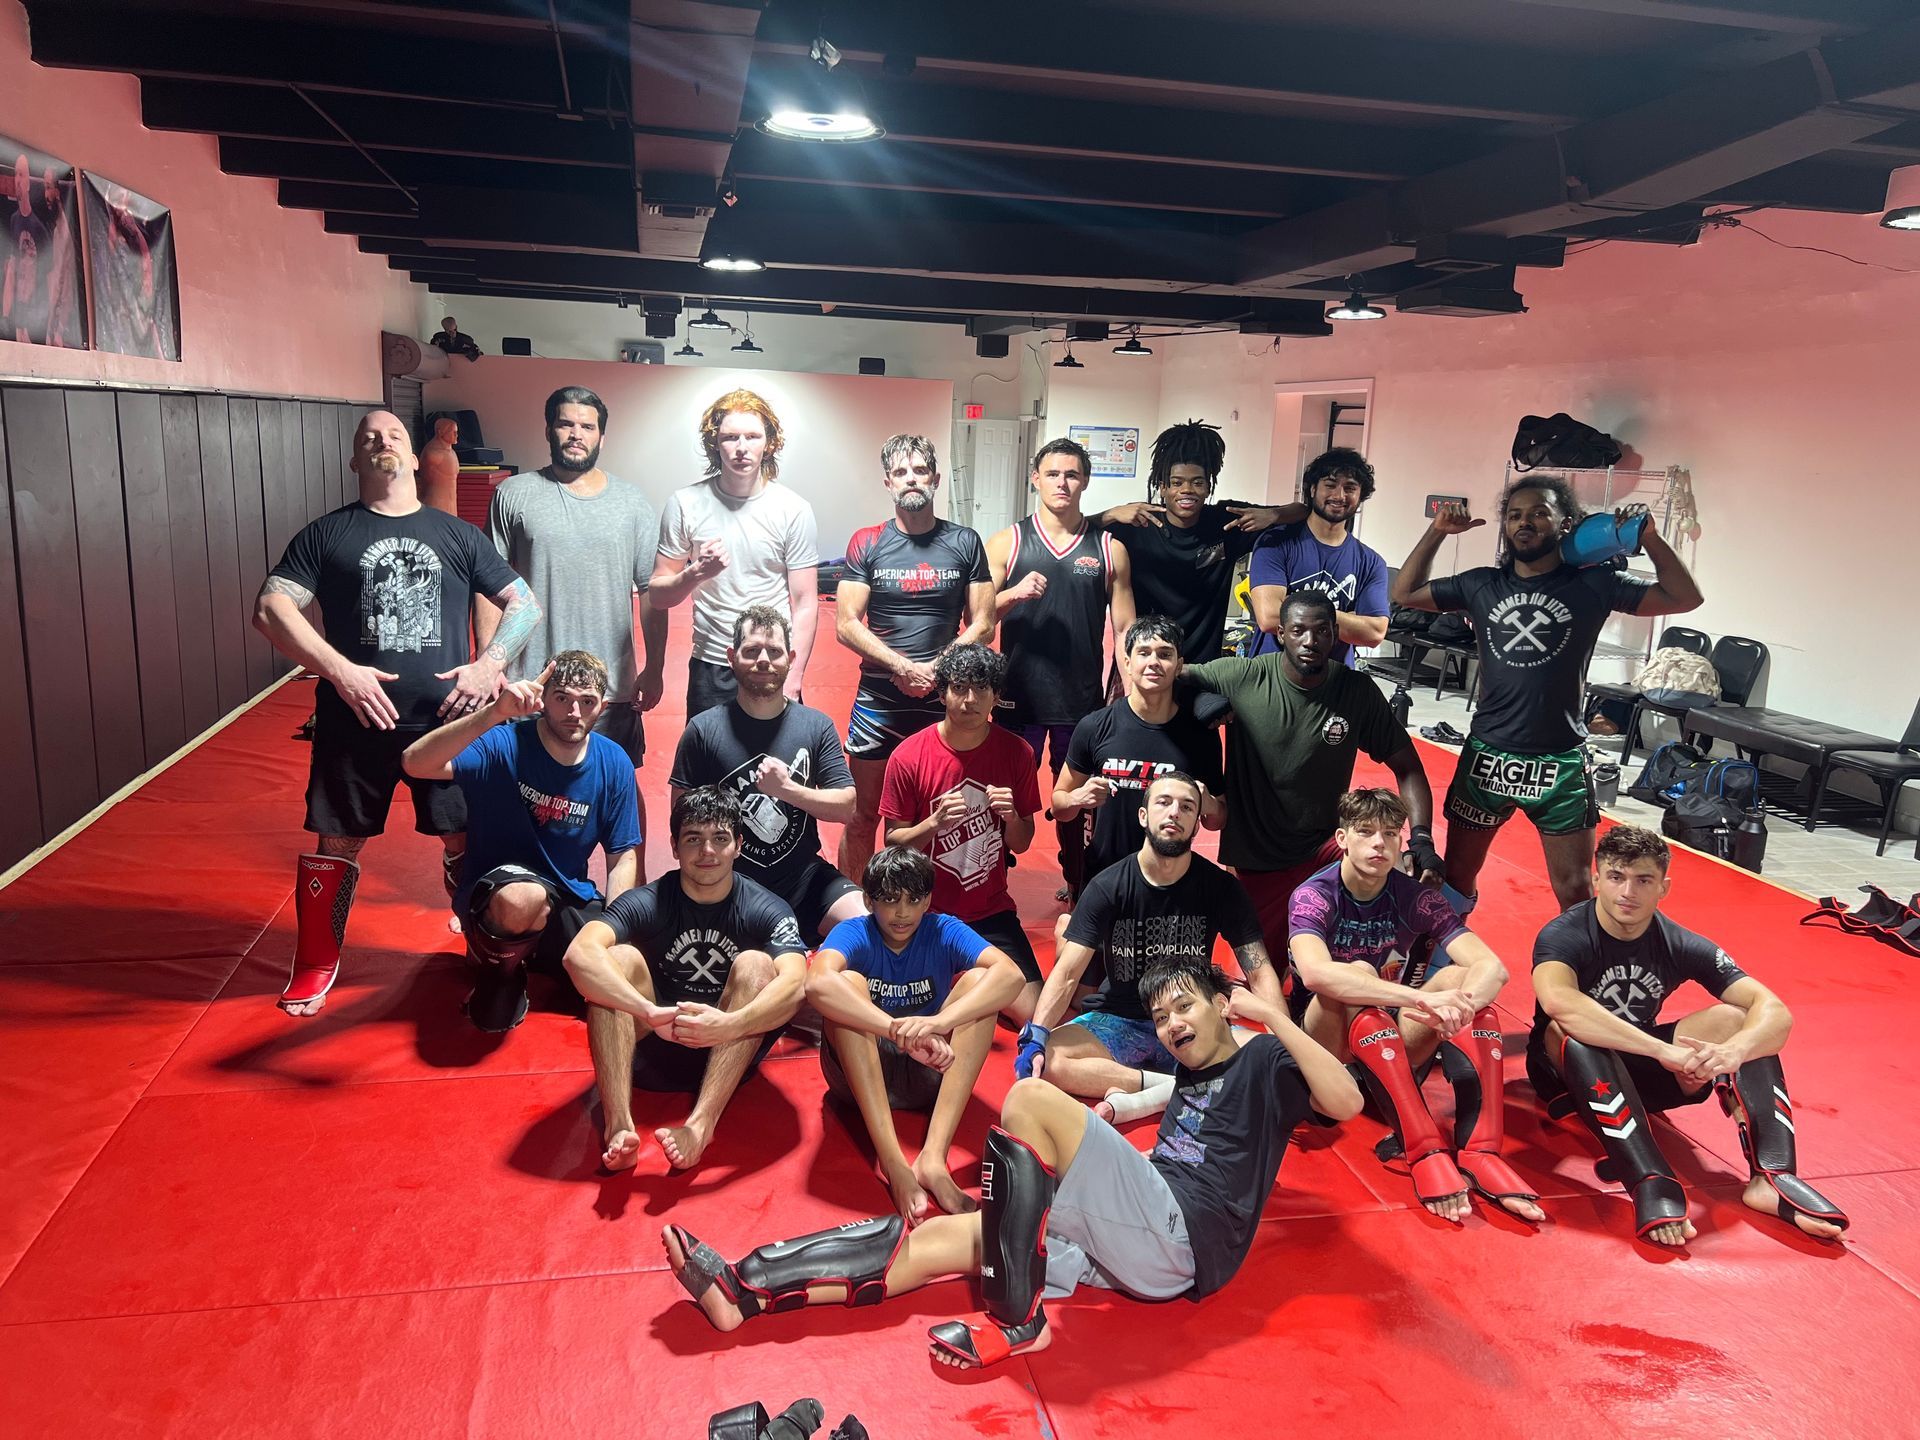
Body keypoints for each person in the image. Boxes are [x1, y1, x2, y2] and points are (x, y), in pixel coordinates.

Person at [660, 956, 1363, 1368]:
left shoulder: (1265, 1058)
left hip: (1183, 1240)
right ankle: (747, 1290)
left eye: (1185, 1007)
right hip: (1135, 1239)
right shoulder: (1188, 1075)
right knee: (950, 1237)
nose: (1172, 1024)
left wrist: (1273, 1019)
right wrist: (1115, 1116)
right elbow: (1155, 1121)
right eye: (1161, 1017)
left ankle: (1018, 1320)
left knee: (1030, 1096)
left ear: (1220, 1005)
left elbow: (1346, 1101)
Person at [253, 409, 539, 1016]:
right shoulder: (326, 535)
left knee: (464, 840)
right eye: (368, 439)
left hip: (447, 723)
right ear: (355, 461)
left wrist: (490, 664)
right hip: (355, 721)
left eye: (394, 437)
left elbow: (524, 603)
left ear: (414, 459)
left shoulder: (457, 535)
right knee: (337, 843)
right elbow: (271, 609)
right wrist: (340, 670)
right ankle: (315, 963)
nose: (382, 443)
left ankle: (484, 948)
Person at [1389, 477, 1703, 912]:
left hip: (1558, 760)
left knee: (1574, 890)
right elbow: (1403, 593)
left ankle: (1575, 971)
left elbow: (1685, 597)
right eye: (1515, 515)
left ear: (1565, 523)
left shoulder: (1594, 584)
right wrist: (1437, 531)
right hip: (1488, 754)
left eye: (1539, 513)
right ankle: (1444, 960)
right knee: (1458, 877)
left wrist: (1649, 537)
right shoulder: (1481, 584)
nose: (1525, 522)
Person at [1528, 825, 1847, 1247]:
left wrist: (1732, 1054)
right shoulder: (1564, 934)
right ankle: (1649, 1178)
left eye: (1643, 880)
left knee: (1739, 1020)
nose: (1628, 892)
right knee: (1573, 1028)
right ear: (1597, 878)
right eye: (1616, 877)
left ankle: (1772, 1176)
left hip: (1639, 1074)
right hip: (1565, 1072)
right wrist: (1664, 1051)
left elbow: (1776, 1013)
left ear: (1664, 887)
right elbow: (1560, 1004)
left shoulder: (1680, 942)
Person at [1289, 788, 1541, 1223]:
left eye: (1390, 834)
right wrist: (1423, 999)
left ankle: (1481, 1150)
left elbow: (1492, 968)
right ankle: (1422, 1147)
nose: (1379, 845)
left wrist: (1460, 1007)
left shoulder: (1414, 895)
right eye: (1366, 833)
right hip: (1326, 1053)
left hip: (1386, 1046)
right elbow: (1314, 974)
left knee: (1468, 985)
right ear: (1342, 838)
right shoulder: (1314, 895)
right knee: (1357, 978)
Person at [1184, 589, 1442, 999]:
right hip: (1257, 856)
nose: (1310, 641)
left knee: (1388, 883)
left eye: (1322, 631)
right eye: (1299, 630)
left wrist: (1423, 838)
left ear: (1336, 634)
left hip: (1325, 852)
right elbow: (1170, 674)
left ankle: (1387, 986)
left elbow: (1408, 767)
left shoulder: (1355, 691)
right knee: (1260, 983)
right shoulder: (1244, 676)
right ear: (1281, 633)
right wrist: (1200, 699)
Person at [563, 787, 808, 1172]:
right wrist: (646, 1010)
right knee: (617, 959)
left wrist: (728, 1026)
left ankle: (700, 1125)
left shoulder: (765, 907)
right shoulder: (648, 900)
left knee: (759, 967)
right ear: (675, 847)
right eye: (694, 839)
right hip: (651, 1044)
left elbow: (796, 986)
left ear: (739, 846)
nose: (707, 852)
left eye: (720, 839)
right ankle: (619, 1127)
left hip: (730, 1049)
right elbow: (579, 954)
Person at [1021, 772, 1278, 1127]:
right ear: (1144, 816)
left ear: (1196, 824)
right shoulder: (1109, 885)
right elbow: (1067, 974)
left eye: (1187, 807)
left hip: (1192, 1017)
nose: (1174, 812)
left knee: (1269, 1062)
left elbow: (1259, 969)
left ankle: (1149, 1090)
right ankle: (1173, 1088)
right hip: (1120, 1017)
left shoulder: (1221, 887)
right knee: (1048, 1060)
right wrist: (1037, 1034)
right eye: (1164, 802)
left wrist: (1284, 1038)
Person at [401, 651, 639, 1032]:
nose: (573, 711)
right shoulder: (504, 743)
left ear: (603, 707)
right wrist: (494, 713)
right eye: (562, 697)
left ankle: (536, 957)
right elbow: (415, 762)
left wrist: (615, 929)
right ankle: (500, 971)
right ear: (543, 698)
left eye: (587, 701)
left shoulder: (614, 762)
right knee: (523, 898)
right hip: (499, 892)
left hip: (566, 895)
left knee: (626, 974)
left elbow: (623, 855)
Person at [482, 385, 664, 843]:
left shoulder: (632, 503)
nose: (576, 434)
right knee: (523, 791)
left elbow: (650, 592)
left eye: (587, 426)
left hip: (609, 689)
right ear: (549, 429)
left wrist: (655, 668)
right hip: (532, 682)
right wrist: (492, 663)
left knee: (619, 788)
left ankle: (630, 899)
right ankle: (521, 890)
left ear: (602, 436)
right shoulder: (514, 494)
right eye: (566, 423)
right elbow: (489, 588)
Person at [808, 845, 1027, 1222]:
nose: (902, 913)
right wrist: (894, 1030)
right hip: (860, 1073)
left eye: (914, 900)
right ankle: (894, 1165)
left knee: (981, 983)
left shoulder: (943, 928)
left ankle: (933, 1159)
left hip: (930, 1067)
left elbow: (1012, 977)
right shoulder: (854, 931)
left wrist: (939, 1024)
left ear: (928, 900)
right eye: (890, 901)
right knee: (846, 984)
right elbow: (816, 985)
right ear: (868, 900)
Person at [836, 433, 995, 880]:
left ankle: (929, 908)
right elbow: (846, 622)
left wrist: (935, 669)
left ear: (936, 478)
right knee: (863, 814)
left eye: (920, 470)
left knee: (937, 816)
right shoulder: (866, 542)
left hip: (940, 702)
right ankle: (854, 910)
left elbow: (984, 623)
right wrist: (901, 666)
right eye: (902, 472)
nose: (911, 479)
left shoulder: (964, 541)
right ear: (888, 482)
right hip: (878, 701)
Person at [988, 438, 1135, 898]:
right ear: (1036, 478)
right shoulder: (1008, 542)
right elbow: (978, 616)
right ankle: (991, 881)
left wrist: (1128, 697)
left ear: (1085, 481)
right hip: (1017, 699)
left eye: (1072, 475)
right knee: (1005, 799)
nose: (1062, 483)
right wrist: (1013, 594)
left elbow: (1127, 629)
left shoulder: (1110, 549)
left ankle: (1078, 883)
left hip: (1082, 701)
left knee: (1080, 802)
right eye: (1053, 474)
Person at [668, 605, 864, 941]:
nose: (763, 660)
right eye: (752, 650)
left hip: (803, 876)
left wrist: (786, 790)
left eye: (774, 652)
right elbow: (680, 816)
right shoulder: (703, 729)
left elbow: (846, 807)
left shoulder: (815, 725)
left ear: (789, 658)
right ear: (732, 657)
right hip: (729, 880)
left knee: (865, 926)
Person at [879, 643, 1044, 1021]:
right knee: (892, 1008)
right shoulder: (908, 755)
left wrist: (1012, 817)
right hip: (924, 911)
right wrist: (933, 824)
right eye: (959, 688)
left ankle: (962, 983)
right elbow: (893, 844)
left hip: (990, 910)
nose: (970, 700)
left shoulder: (1017, 753)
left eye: (982, 689)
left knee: (1033, 1013)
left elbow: (1022, 841)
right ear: (942, 693)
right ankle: (962, 985)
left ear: (996, 697)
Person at [646, 388, 820, 718]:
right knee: (710, 766)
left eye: (752, 436)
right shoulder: (685, 504)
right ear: (715, 443)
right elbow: (658, 596)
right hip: (712, 661)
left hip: (772, 661)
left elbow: (806, 601)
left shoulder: (793, 509)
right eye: (730, 437)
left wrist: (794, 677)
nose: (741, 448)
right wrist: (696, 572)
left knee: (777, 766)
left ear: (769, 442)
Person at [1086, 420, 1292, 669]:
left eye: (1197, 482)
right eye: (1176, 482)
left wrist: (1275, 515)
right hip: (1149, 663)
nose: (1187, 490)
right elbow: (1072, 530)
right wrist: (1109, 514)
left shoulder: (1225, 523)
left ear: (1208, 487)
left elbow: (1303, 512)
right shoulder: (1138, 523)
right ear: (1162, 487)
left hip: (1204, 669)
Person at [1052, 615, 1223, 900]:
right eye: (1143, 653)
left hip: (1171, 881)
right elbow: (1059, 805)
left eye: (1165, 654)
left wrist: (1210, 805)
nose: (1154, 662)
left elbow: (1218, 820)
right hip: (1104, 880)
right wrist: (1076, 799)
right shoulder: (1095, 727)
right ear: (1128, 664)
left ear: (1178, 665)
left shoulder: (1200, 735)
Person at [1247, 448, 1391, 666]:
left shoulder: (1370, 562)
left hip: (1335, 685)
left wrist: (1290, 607)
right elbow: (1268, 617)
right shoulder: (1275, 542)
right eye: (1330, 485)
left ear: (1360, 496)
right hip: (1271, 678)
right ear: (1313, 489)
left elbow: (1374, 634)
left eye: (1350, 488)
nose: (1339, 496)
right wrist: (1346, 618)